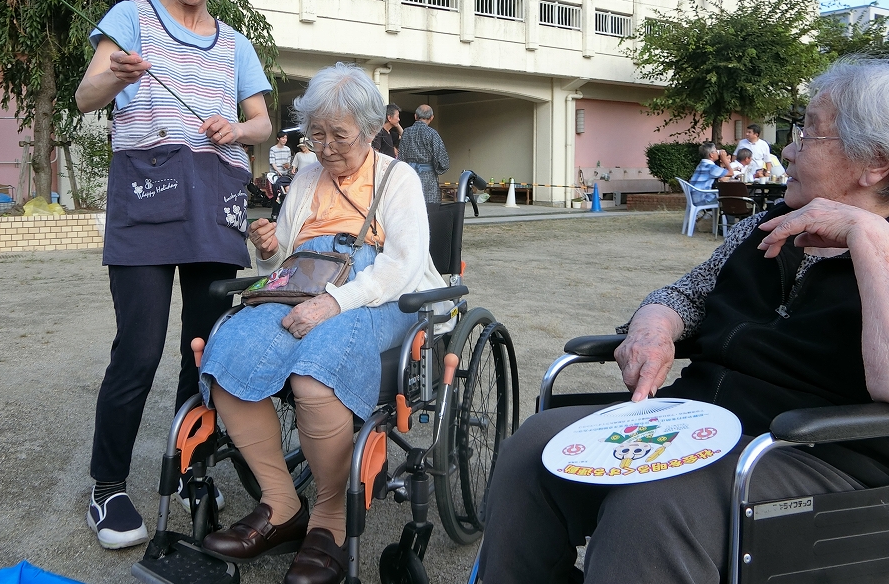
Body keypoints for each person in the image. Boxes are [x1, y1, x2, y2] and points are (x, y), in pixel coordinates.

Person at [479, 56, 889, 584]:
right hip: (703, 422)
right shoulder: (768, 225)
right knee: (536, 447)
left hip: (812, 454)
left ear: (874, 162)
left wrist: (867, 237)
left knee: (654, 503)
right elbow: (687, 294)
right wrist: (653, 328)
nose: (787, 147)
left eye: (807, 132)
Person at [198, 63, 446, 584]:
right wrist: (266, 249)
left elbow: (400, 268)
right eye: (316, 134)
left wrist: (337, 302)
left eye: (340, 135)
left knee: (314, 375)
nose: (327, 147)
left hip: (376, 292)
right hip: (305, 283)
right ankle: (282, 506)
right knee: (229, 356)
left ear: (372, 129)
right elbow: (285, 260)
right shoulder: (308, 174)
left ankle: (331, 518)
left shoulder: (397, 179)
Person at [74, 0, 273, 550]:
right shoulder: (131, 18)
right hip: (147, 194)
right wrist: (115, 74)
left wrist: (236, 128)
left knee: (205, 348)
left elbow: (263, 123)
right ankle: (107, 487)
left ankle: (191, 470)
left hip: (217, 200)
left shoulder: (236, 43)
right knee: (139, 345)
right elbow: (86, 95)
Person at [398, 104, 450, 205]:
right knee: (429, 208)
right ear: (431, 118)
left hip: (410, 175)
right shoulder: (432, 133)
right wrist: (437, 169)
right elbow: (442, 160)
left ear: (415, 116)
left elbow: (401, 157)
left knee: (411, 205)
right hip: (428, 177)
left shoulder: (406, 132)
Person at [270, 132, 294, 197]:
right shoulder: (273, 149)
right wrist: (278, 171)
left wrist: (287, 165)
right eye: (283, 138)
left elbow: (288, 163)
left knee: (287, 192)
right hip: (275, 175)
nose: (285, 140)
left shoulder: (287, 149)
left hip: (285, 176)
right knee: (277, 194)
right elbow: (272, 163)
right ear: (278, 138)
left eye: (286, 138)